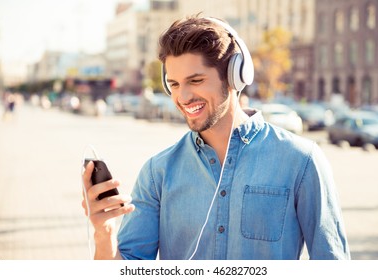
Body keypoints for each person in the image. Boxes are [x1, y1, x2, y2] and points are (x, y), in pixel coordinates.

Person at [82, 15, 350, 260]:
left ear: (235, 76)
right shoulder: (157, 172)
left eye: (195, 80)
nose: (183, 97)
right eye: (174, 84)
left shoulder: (302, 161)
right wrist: (104, 233)